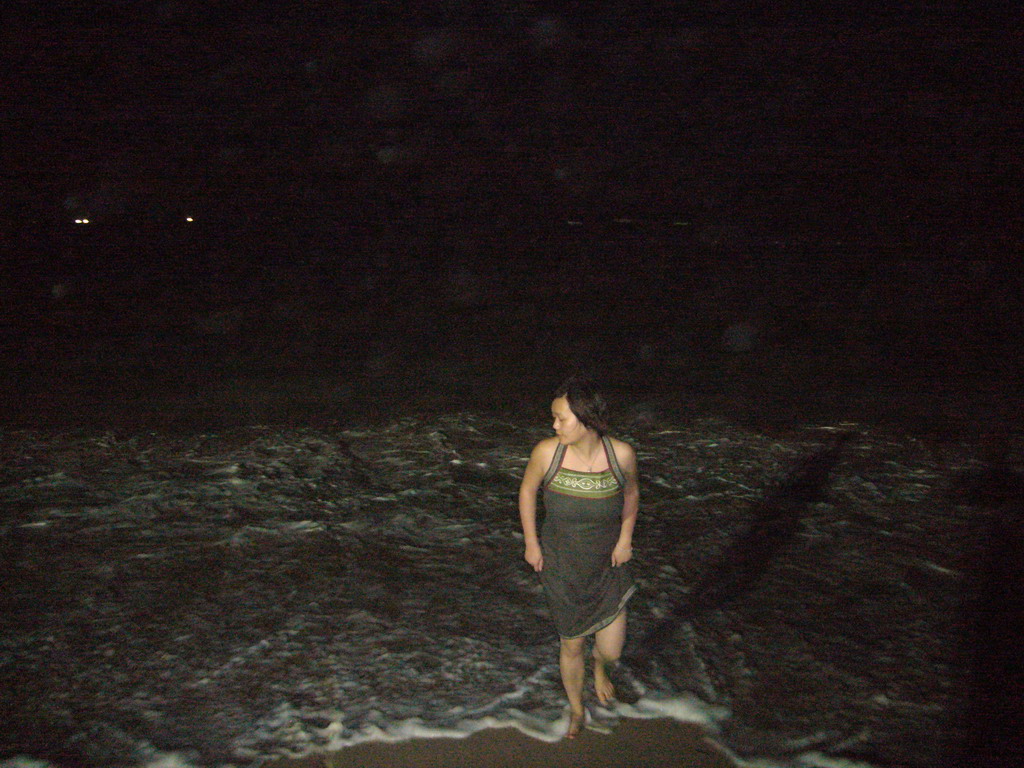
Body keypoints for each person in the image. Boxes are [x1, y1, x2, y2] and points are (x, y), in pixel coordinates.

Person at [518, 375, 639, 739]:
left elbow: (632, 495)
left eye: (561, 418)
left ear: (586, 419)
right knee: (571, 644)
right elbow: (527, 491)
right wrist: (531, 542)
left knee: (611, 652)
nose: (554, 425)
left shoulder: (621, 455)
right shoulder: (547, 453)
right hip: (562, 568)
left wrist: (625, 539)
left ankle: (600, 669)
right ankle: (575, 708)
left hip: (607, 565)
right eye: (554, 418)